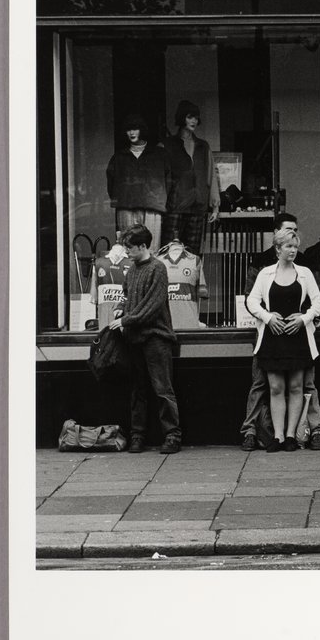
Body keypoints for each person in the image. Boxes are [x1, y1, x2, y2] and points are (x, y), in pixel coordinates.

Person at [239, 213, 320, 451]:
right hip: (273, 337)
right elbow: (252, 301)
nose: (293, 251)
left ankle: (290, 436)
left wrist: (304, 318)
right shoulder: (266, 273)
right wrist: (268, 318)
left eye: (295, 246)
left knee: (297, 387)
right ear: (277, 249)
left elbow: (318, 302)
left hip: (297, 337)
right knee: (276, 387)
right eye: (288, 246)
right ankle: (277, 436)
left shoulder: (305, 272)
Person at [109, 224, 181, 454]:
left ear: (142, 246)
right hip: (136, 338)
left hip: (156, 338)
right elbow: (128, 296)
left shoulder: (158, 268)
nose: (127, 252)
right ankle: (137, 435)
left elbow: (153, 305)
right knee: (138, 389)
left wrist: (126, 320)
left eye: (130, 247)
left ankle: (172, 435)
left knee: (162, 388)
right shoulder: (132, 271)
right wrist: (121, 308)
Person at [162, 100, 220, 255]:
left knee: (193, 255)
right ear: (182, 118)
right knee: (169, 253)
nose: (194, 121)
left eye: (196, 117)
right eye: (190, 117)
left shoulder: (203, 146)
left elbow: (211, 175)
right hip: (175, 206)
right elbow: (160, 178)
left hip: (197, 206)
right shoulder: (167, 145)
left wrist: (215, 205)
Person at [106, 113, 171, 250]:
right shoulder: (119, 157)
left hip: (152, 208)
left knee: (151, 250)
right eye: (129, 129)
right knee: (128, 250)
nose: (131, 133)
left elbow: (168, 181)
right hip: (126, 208)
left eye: (135, 129)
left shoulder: (159, 155)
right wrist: (122, 199)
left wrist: (159, 199)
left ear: (142, 130)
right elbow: (111, 184)